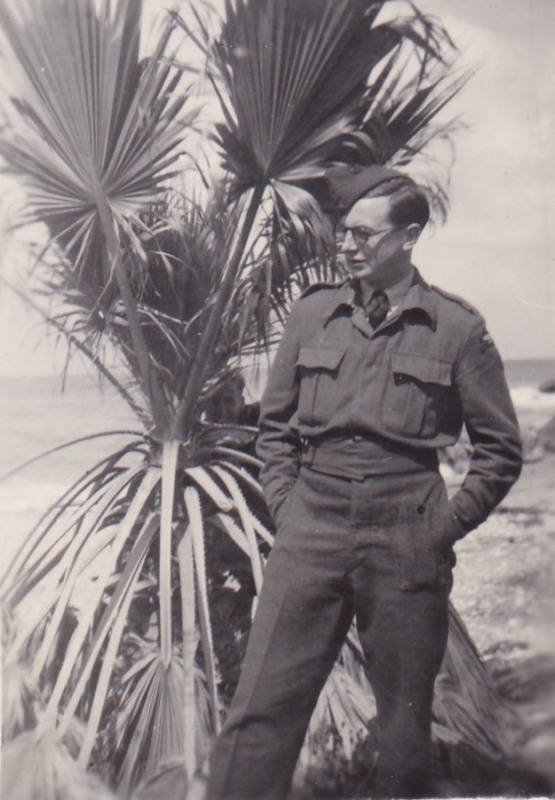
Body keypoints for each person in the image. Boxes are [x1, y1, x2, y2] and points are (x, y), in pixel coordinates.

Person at [205, 164, 523, 799]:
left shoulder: (455, 328)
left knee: (404, 731)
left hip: (406, 535)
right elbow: (275, 427)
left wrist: (442, 527)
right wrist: (288, 507)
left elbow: (501, 448)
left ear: (408, 237)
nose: (347, 246)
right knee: (260, 711)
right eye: (344, 232)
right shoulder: (313, 315)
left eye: (364, 235)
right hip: (311, 529)